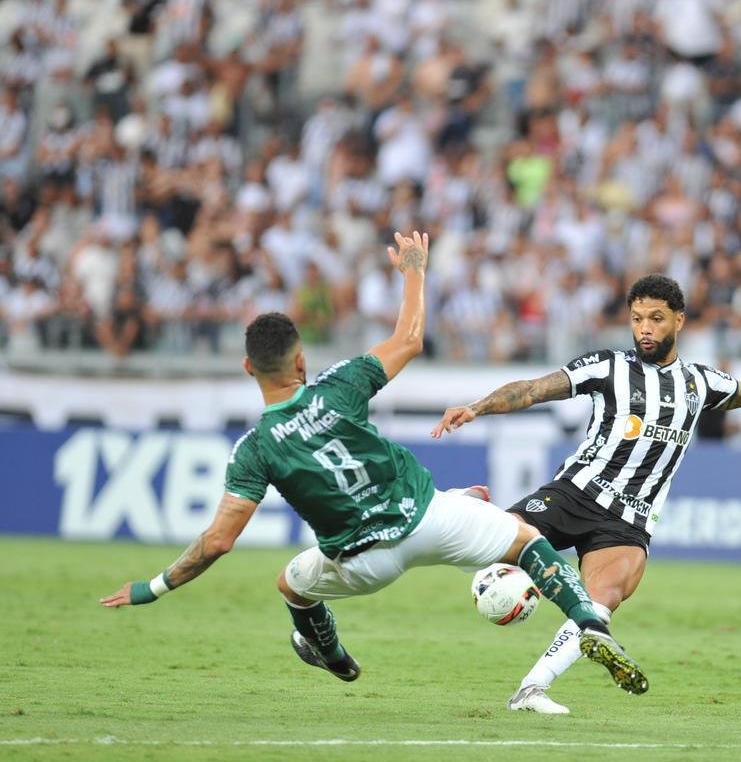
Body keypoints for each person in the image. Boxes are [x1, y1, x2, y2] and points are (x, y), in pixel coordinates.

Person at [100, 231, 647, 698]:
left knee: (292, 587)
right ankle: (587, 619)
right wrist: (413, 270)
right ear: (300, 360)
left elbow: (217, 542)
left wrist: (155, 586)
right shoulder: (340, 385)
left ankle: (334, 655)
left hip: (365, 565)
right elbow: (409, 339)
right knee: (526, 540)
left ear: (248, 367)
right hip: (431, 519)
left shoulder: (254, 449)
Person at [431, 273, 741, 714]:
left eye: (656, 319)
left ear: (679, 321)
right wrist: (477, 407)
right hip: (575, 494)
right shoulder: (607, 366)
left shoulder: (701, 383)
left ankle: (532, 688)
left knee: (598, 606)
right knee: (488, 543)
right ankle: (461, 503)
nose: (644, 328)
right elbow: (533, 389)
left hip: (629, 520)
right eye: (637, 318)